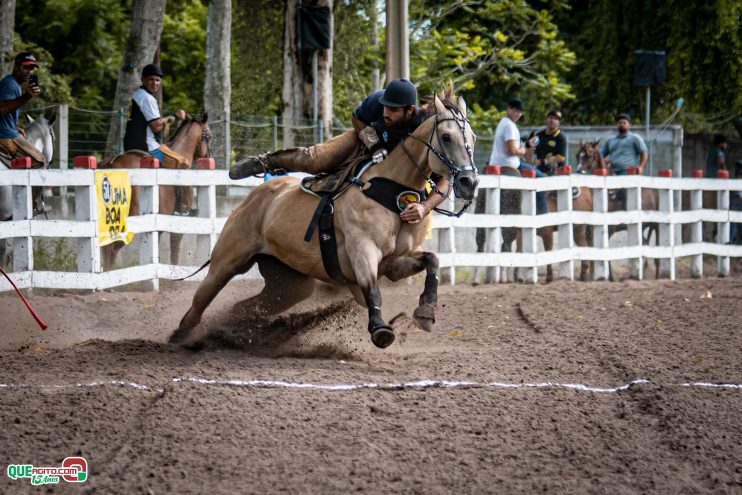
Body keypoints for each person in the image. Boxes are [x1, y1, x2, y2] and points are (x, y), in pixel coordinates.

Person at [228, 78, 450, 224]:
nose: (385, 113)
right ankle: (266, 162)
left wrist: (425, 206)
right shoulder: (378, 101)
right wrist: (374, 145)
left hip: (394, 173)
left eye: (393, 110)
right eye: (385, 107)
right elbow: (357, 118)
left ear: (410, 110)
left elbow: (444, 181)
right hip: (363, 141)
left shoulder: (424, 131)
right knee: (315, 160)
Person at [487, 98, 546, 214]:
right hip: (509, 165)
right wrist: (523, 150)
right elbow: (512, 150)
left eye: (520, 112)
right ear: (508, 109)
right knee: (541, 179)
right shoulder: (509, 126)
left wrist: (527, 144)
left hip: (497, 163)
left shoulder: (504, 122)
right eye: (516, 110)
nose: (518, 114)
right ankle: (541, 214)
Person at [123, 63, 186, 163]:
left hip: (130, 145)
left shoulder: (137, 95)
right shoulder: (147, 98)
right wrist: (175, 116)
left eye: (157, 80)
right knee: (181, 162)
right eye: (150, 79)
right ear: (142, 80)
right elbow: (156, 127)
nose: (154, 83)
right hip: (147, 146)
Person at [0, 52, 46, 167]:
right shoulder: (10, 84)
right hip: (6, 135)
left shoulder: (15, 84)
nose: (30, 71)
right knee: (41, 161)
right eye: (26, 67)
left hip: (9, 130)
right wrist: (27, 96)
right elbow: (2, 109)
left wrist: (14, 126)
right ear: (17, 67)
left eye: (32, 68)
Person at [528, 109, 566, 175]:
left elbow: (561, 157)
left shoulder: (560, 137)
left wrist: (543, 161)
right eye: (551, 117)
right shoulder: (539, 135)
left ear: (559, 122)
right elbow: (530, 151)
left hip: (555, 173)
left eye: (556, 119)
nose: (552, 120)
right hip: (539, 171)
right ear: (547, 119)